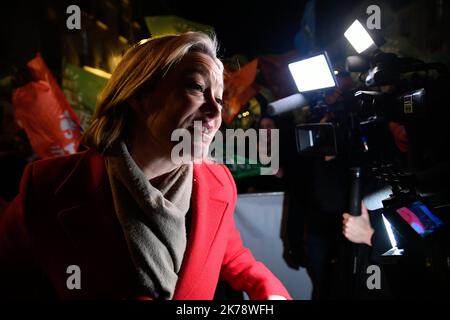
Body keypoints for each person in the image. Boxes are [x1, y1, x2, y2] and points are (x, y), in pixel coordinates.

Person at [0, 32, 291, 300]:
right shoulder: (47, 185)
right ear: (139, 95)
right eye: (196, 87)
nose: (216, 111)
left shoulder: (219, 183)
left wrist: (267, 290)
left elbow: (229, 255)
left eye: (219, 97)